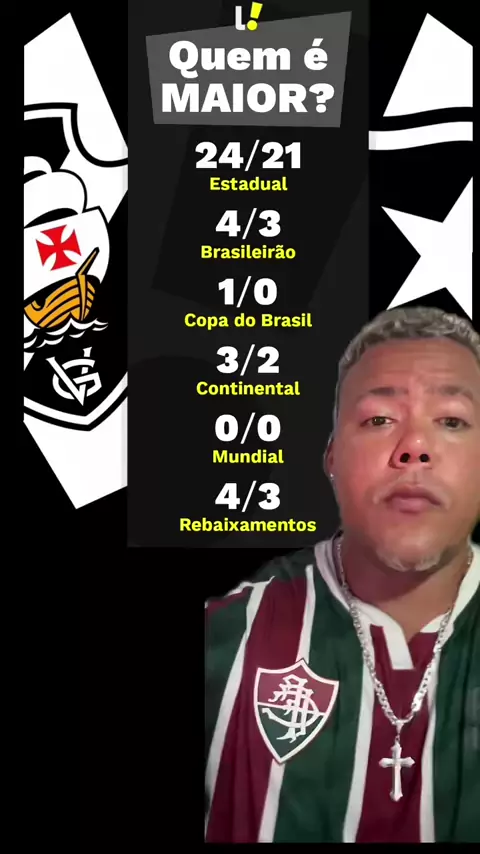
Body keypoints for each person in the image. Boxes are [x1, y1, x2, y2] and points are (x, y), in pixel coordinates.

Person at [204, 306, 480, 843]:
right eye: (379, 420)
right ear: (331, 457)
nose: (414, 447)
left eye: (451, 421)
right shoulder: (224, 638)